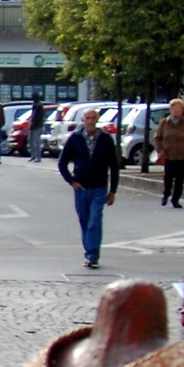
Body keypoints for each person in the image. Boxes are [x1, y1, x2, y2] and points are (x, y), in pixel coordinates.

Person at [56, 105, 120, 269]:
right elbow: (62, 163)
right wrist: (71, 181)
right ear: (83, 120)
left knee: (94, 221)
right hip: (81, 188)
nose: (91, 121)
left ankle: (93, 255)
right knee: (84, 221)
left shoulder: (105, 139)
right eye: (88, 118)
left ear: (97, 120)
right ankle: (89, 251)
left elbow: (114, 166)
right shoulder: (75, 138)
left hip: (99, 187)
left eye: (93, 118)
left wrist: (113, 191)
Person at [154, 98, 184, 208]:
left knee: (180, 179)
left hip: (182, 156)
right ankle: (166, 194)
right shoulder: (164, 122)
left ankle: (175, 199)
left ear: (182, 110)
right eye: (175, 108)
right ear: (171, 109)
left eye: (179, 108)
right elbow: (157, 138)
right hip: (168, 155)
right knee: (168, 178)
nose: (177, 110)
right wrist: (160, 150)